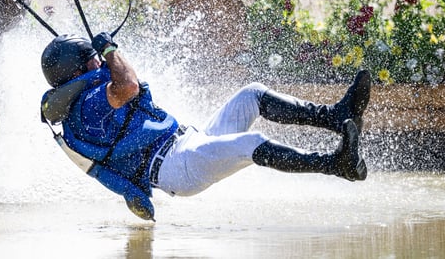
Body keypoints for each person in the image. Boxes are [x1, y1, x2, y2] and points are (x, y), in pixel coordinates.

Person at [40, 33, 369, 220]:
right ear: (83, 65)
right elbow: (128, 87)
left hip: (186, 144)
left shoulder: (81, 102)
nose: (100, 61)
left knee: (250, 95)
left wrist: (107, 55)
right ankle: (335, 165)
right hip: (175, 166)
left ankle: (335, 116)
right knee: (248, 143)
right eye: (94, 58)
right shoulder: (88, 106)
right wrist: (111, 49)